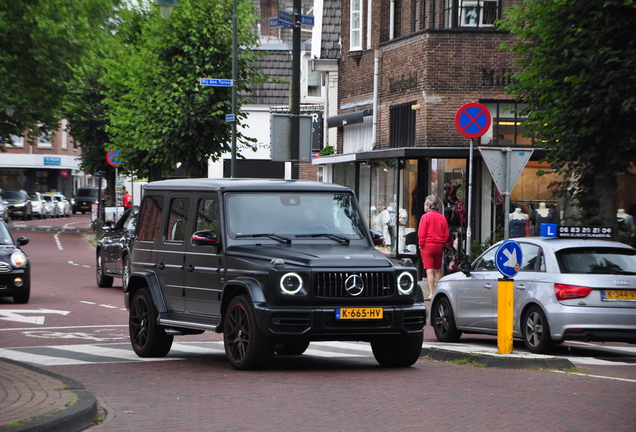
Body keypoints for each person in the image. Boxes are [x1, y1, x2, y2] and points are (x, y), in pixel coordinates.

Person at [418, 195, 449, 299]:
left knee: (429, 270)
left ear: (428, 206)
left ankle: (432, 293)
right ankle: (439, 291)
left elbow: (421, 234)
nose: (424, 205)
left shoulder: (425, 217)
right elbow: (446, 234)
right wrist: (442, 243)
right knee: (438, 269)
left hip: (428, 245)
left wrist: (421, 246)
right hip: (439, 246)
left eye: (425, 204)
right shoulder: (442, 217)